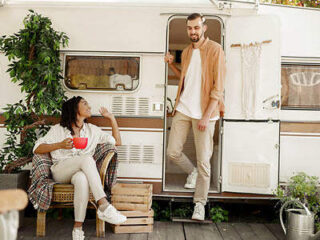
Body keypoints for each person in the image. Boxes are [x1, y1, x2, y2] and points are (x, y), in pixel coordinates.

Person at [33, 96, 126, 240]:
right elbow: (37, 148)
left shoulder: (92, 131)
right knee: (87, 159)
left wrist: (112, 118)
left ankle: (77, 229)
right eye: (85, 103)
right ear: (75, 109)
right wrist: (59, 145)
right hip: (61, 170)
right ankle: (103, 204)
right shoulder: (58, 130)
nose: (89, 106)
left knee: (82, 179)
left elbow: (117, 142)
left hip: (80, 171)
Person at [165, 13, 226, 221]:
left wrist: (206, 117)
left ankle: (199, 204)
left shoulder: (216, 50)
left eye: (197, 28)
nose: (193, 31)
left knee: (204, 162)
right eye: (190, 28)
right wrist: (171, 64)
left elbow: (218, 88)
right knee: (172, 151)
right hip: (184, 108)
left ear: (204, 28)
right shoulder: (187, 51)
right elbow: (185, 76)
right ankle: (190, 172)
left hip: (205, 112)